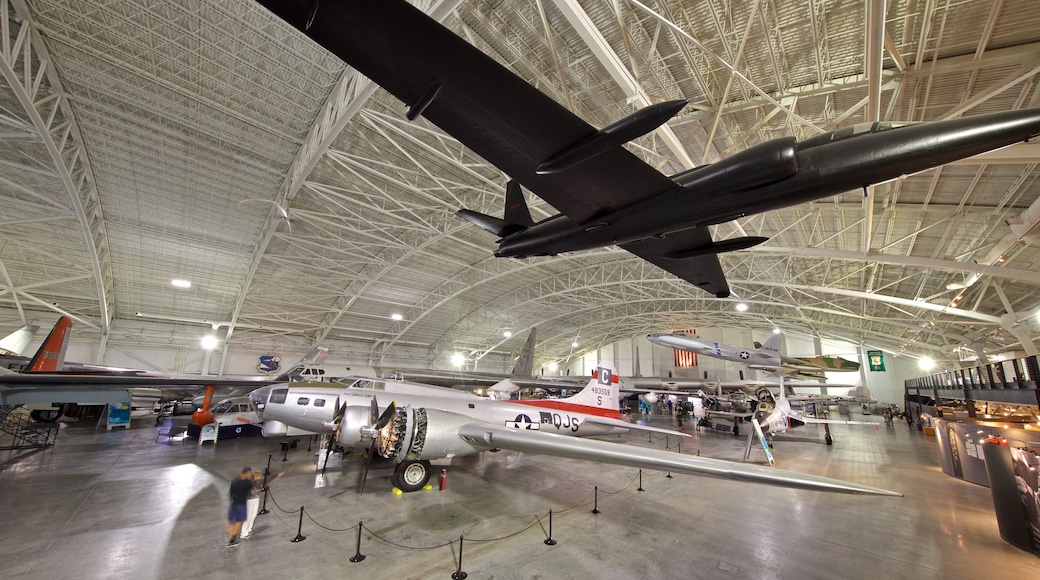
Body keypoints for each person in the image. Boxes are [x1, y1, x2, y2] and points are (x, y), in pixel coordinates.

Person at [242, 469, 284, 539]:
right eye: (259, 476)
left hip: (256, 499)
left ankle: (249, 529)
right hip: (250, 500)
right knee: (248, 516)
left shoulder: (257, 481)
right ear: (256, 476)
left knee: (254, 515)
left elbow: (266, 480)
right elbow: (252, 492)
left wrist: (276, 476)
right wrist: (260, 489)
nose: (260, 477)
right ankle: (243, 533)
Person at [226, 466, 254, 547]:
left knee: (231, 521)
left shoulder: (235, 480)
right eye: (250, 472)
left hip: (233, 502)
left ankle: (231, 536)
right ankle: (232, 540)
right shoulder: (247, 482)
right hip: (241, 504)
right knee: (239, 522)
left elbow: (230, 492)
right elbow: (251, 493)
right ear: (248, 472)